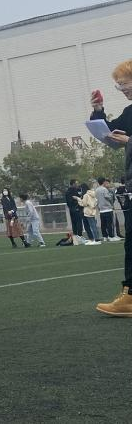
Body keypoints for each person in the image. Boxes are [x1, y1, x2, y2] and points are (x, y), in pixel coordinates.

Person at [92, 61, 132, 315]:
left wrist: (129, 140)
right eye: (119, 85)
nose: (122, 89)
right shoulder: (129, 112)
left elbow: (125, 140)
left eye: (124, 83)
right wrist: (98, 112)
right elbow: (109, 135)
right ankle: (129, 295)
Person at [95, 177, 118, 242]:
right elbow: (108, 197)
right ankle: (111, 236)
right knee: (109, 224)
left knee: (103, 224)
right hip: (108, 209)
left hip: (101, 210)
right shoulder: (104, 189)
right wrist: (111, 197)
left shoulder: (96, 190)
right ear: (103, 182)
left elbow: (96, 199)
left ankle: (105, 236)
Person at [64, 179, 86, 244]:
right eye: (76, 183)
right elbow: (76, 199)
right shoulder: (73, 190)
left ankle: (75, 238)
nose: (77, 185)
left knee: (74, 223)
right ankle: (80, 237)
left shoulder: (67, 191)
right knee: (79, 223)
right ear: (73, 184)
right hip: (76, 209)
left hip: (71, 209)